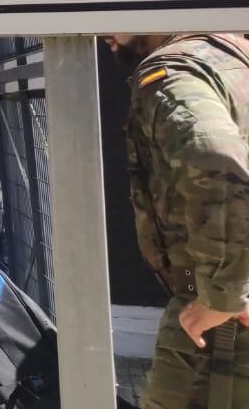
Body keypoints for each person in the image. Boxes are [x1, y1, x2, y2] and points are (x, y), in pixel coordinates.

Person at [111, 33, 249, 409]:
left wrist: (223, 293)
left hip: (220, 324)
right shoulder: (233, 59)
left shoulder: (173, 72)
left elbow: (216, 158)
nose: (104, 35)